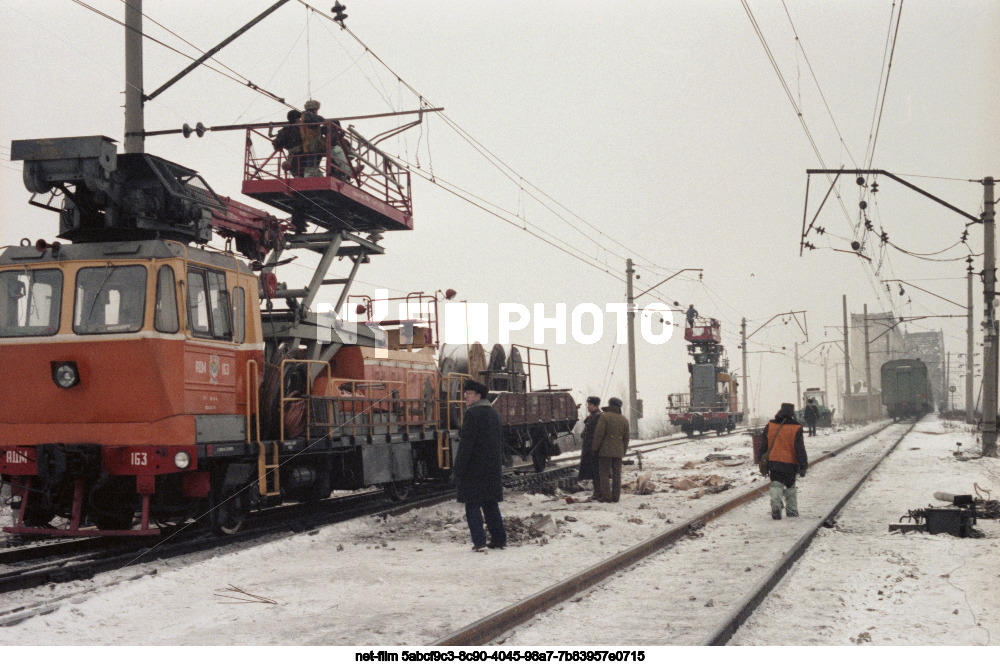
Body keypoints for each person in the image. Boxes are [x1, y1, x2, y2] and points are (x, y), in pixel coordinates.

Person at [453, 379, 507, 551]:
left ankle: (479, 542)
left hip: (474, 470)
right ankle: (499, 539)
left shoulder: (472, 414)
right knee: (491, 504)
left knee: (472, 506)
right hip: (491, 468)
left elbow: (466, 445)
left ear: (478, 396)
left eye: (468, 394)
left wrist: (458, 469)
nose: (465, 397)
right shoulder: (494, 413)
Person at [761, 402, 808, 520]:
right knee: (790, 485)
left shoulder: (770, 425)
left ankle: (776, 505)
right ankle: (791, 510)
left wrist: (761, 459)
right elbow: (800, 449)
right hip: (790, 463)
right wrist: (803, 465)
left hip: (774, 461)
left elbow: (764, 445)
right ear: (792, 413)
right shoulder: (796, 427)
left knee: (776, 483)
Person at [592, 396, 630, 503]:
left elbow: (599, 434)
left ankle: (606, 497)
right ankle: (615, 497)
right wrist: (623, 451)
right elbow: (626, 438)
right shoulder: (624, 419)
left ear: (610, 405)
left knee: (604, 474)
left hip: (605, 451)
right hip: (618, 451)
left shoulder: (604, 417)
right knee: (617, 475)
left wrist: (595, 448)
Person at [577, 396, 601, 495]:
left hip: (593, 448)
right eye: (588, 405)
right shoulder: (592, 416)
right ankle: (596, 492)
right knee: (593, 471)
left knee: (596, 471)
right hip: (589, 448)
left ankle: (598, 493)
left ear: (596, 406)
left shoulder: (598, 416)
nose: (588, 407)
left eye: (590, 405)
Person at [299, 100, 327, 176]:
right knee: (312, 163)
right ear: (315, 109)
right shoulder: (308, 116)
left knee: (313, 163)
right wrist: (323, 120)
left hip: (310, 143)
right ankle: (310, 176)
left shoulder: (305, 116)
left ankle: (314, 175)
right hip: (312, 144)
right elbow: (315, 121)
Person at [271, 109, 303, 177]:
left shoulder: (284, 130)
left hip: (292, 156)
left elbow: (277, 143)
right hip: (302, 155)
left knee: (297, 173)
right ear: (296, 119)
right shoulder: (299, 129)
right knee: (303, 171)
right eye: (299, 119)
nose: (300, 121)